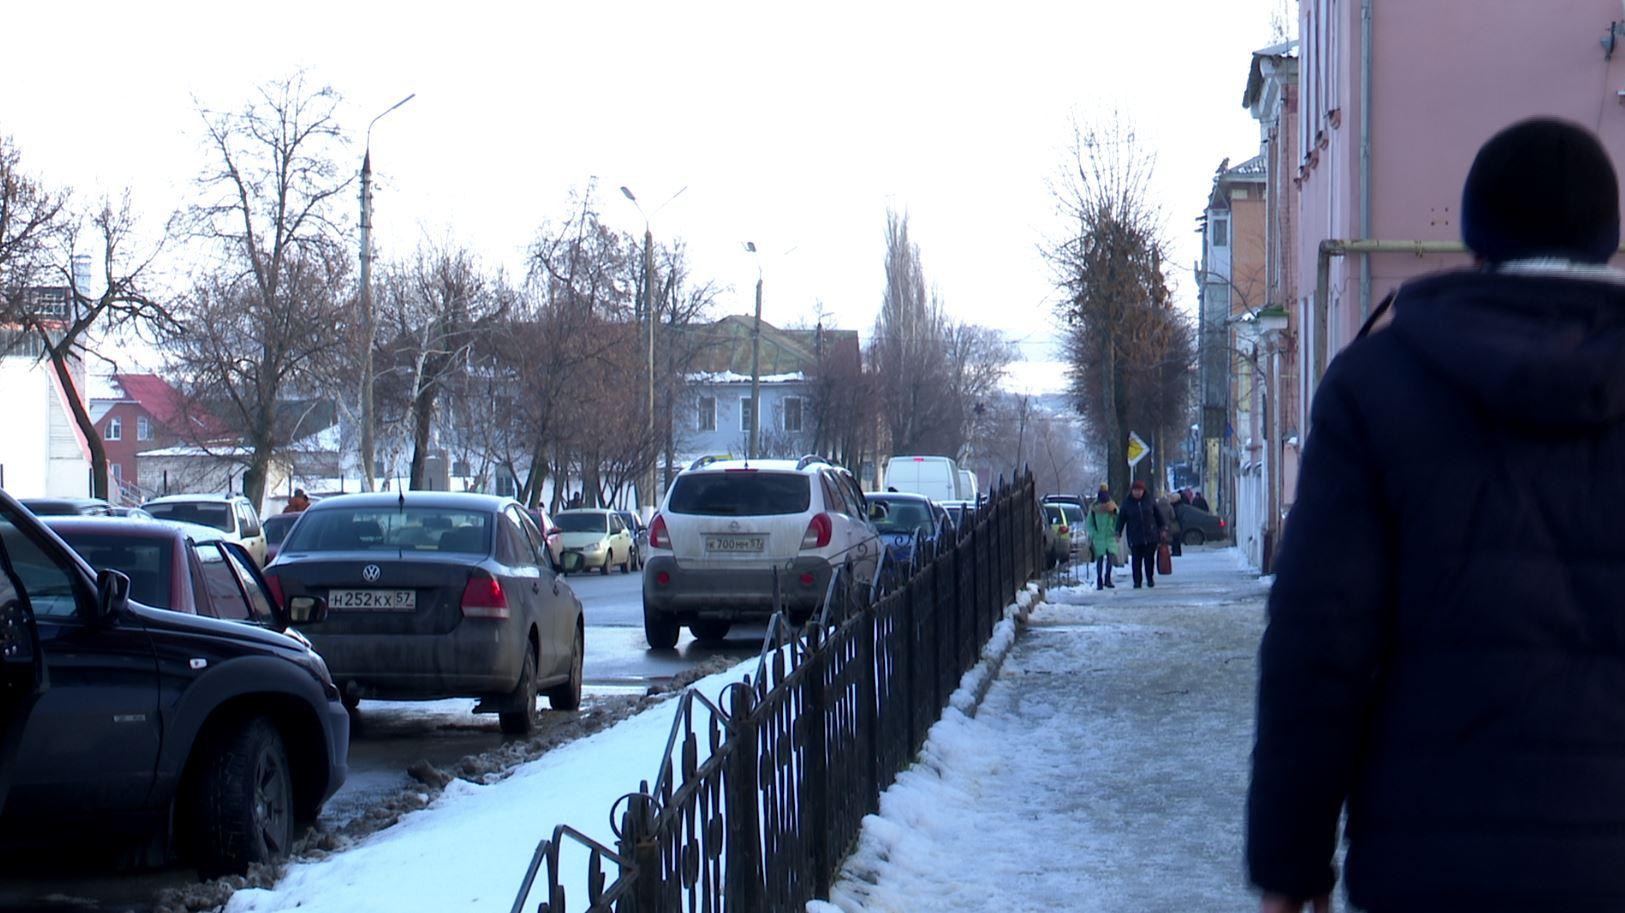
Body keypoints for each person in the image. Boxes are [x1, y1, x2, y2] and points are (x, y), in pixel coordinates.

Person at [1248, 118, 1625, 913]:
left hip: (1430, 864)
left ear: (1474, 236)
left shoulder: (1376, 382)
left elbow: (1318, 643)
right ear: (1607, 237)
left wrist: (1290, 863)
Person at [1114, 479, 1164, 588]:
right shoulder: (1127, 503)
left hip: (1150, 535)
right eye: (1135, 490)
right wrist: (1118, 531)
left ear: (1143, 491)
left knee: (1149, 560)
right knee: (1136, 561)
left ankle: (1150, 579)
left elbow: (1158, 515)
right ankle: (1137, 581)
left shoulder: (1149, 501)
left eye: (1140, 490)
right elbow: (1121, 519)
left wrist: (1162, 528)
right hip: (1135, 536)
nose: (1138, 492)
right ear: (1132, 491)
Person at [1085, 484, 1118, 590]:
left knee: (1109, 558)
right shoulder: (1098, 508)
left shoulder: (1109, 508)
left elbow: (1118, 519)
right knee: (1102, 559)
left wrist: (1115, 530)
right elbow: (1089, 523)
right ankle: (1101, 579)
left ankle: (1105, 578)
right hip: (1101, 536)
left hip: (1107, 536)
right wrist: (1094, 533)